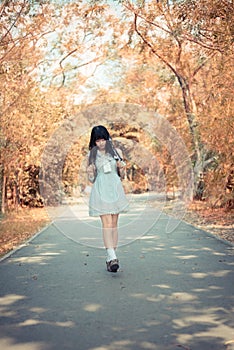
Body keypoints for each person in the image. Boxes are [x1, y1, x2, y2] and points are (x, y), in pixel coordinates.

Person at [86, 125, 129, 273]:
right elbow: (91, 179)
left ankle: (111, 258)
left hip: (115, 189)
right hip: (101, 190)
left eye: (103, 140)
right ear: (94, 142)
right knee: (107, 223)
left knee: (115, 224)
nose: (101, 143)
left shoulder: (116, 153)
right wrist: (89, 173)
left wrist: (122, 168)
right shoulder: (91, 156)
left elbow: (121, 176)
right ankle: (112, 255)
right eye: (98, 141)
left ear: (107, 139)